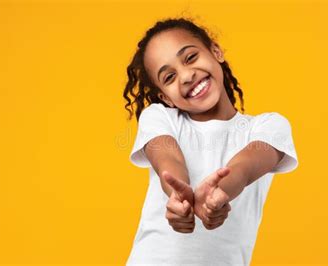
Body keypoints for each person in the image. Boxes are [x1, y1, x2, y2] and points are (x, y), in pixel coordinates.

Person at [122, 17, 299, 265]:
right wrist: (178, 195)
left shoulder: (268, 127)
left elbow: (244, 168)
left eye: (190, 58)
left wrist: (219, 193)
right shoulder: (160, 117)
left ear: (215, 51)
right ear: (166, 97)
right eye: (169, 77)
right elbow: (168, 159)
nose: (186, 76)